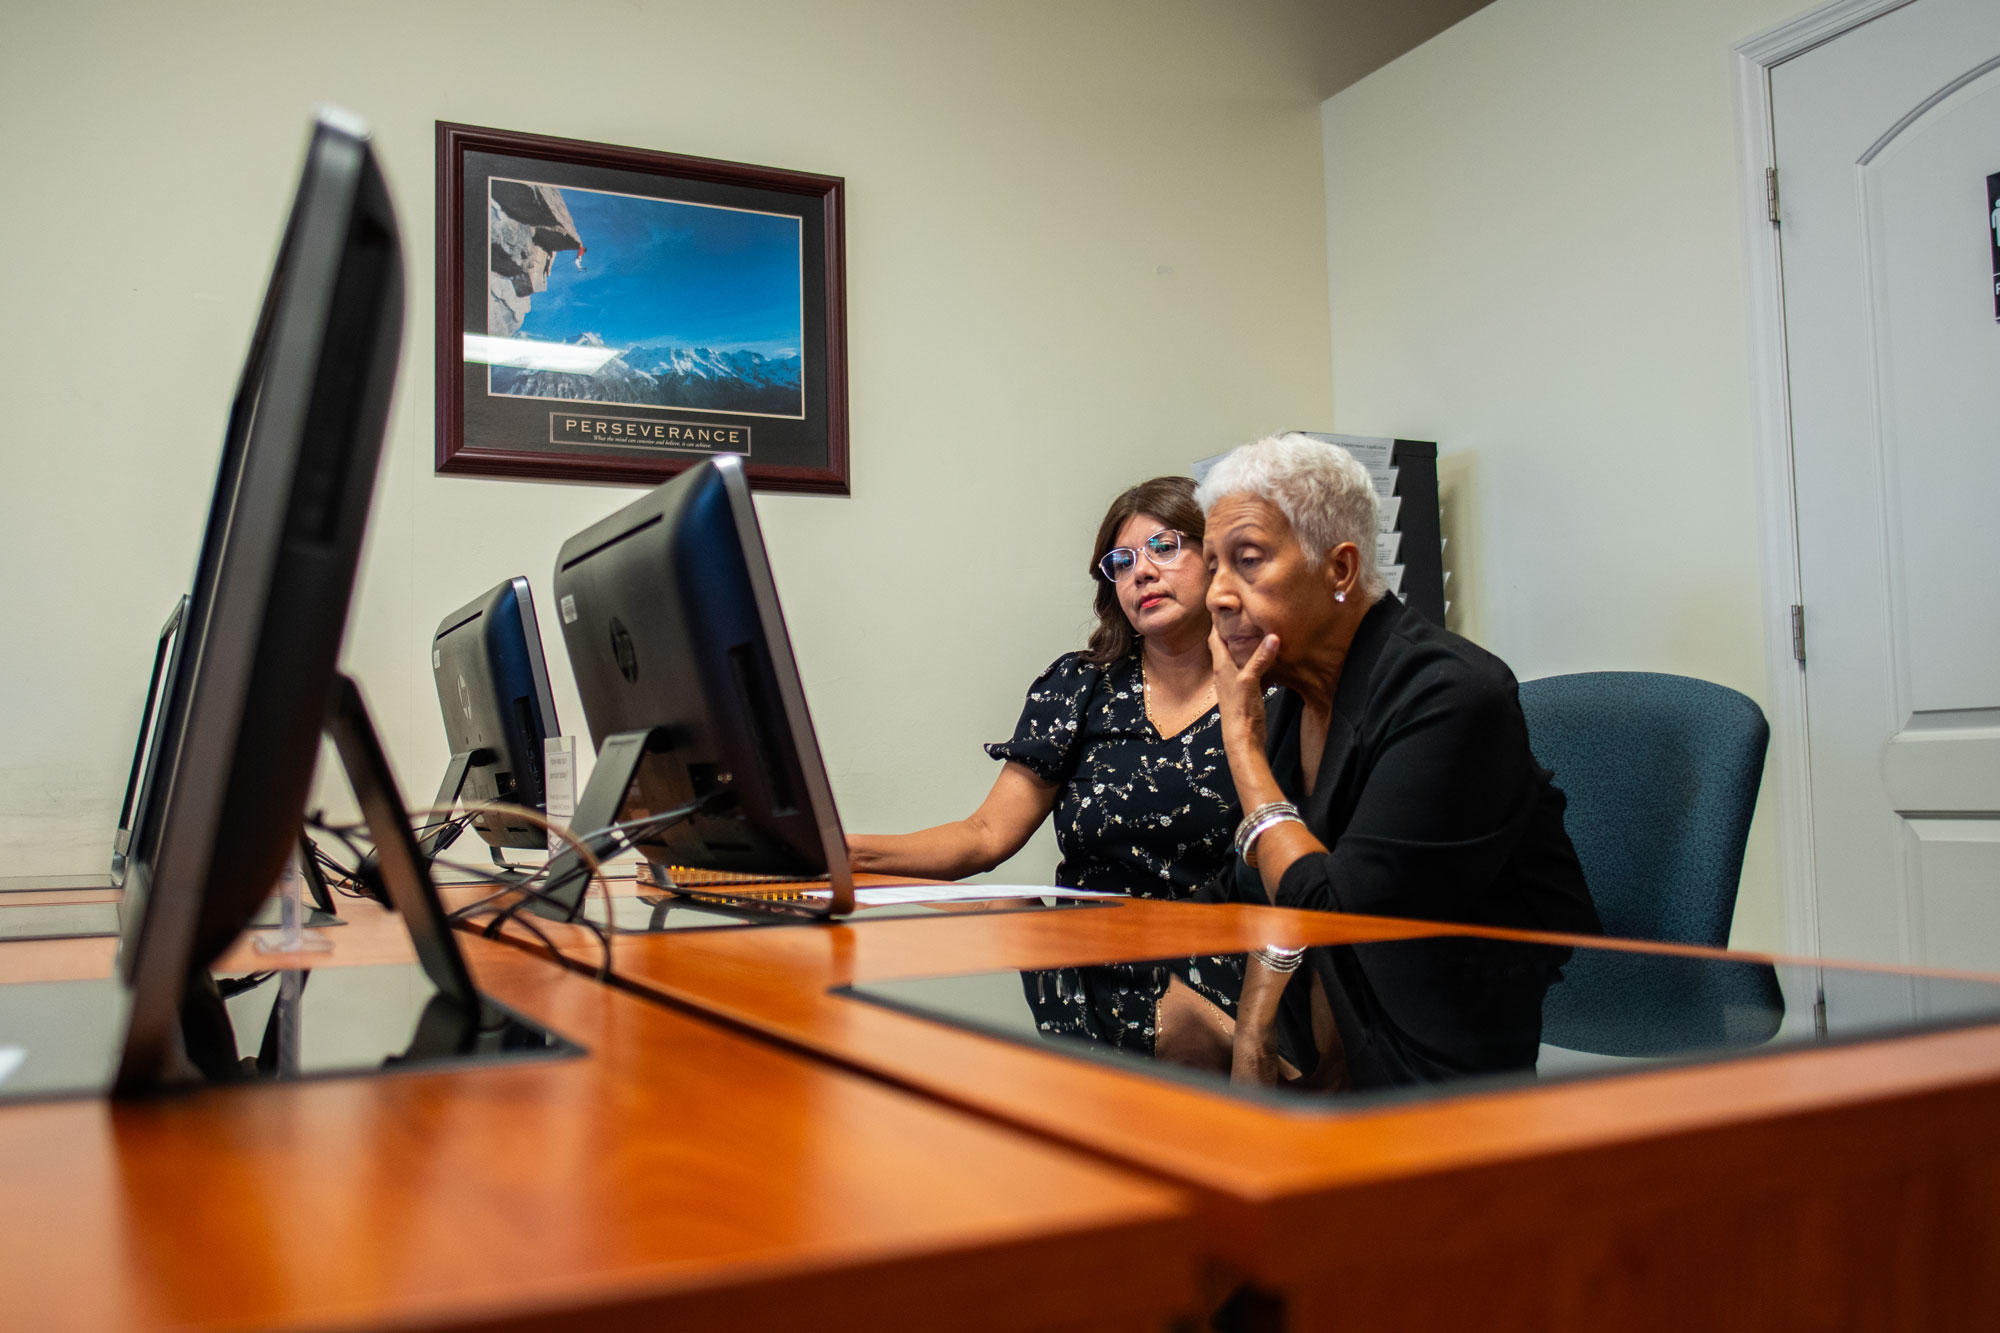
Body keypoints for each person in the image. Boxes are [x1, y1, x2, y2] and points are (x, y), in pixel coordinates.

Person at [1195, 433, 1601, 1088]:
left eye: (1247, 560)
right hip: (1330, 1060)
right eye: (1212, 565)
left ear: (1341, 570)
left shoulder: (1451, 693)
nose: (1217, 593)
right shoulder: (1298, 695)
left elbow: (1335, 920)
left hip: (1441, 1083)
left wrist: (1242, 747)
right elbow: (1246, 888)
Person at [847, 476, 1247, 1065]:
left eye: (1164, 547)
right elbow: (984, 836)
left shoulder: (1274, 689)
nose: (1142, 572)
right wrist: (840, 850)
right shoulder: (1080, 685)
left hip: (1226, 966)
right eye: (1122, 561)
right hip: (1090, 967)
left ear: (1216, 557)